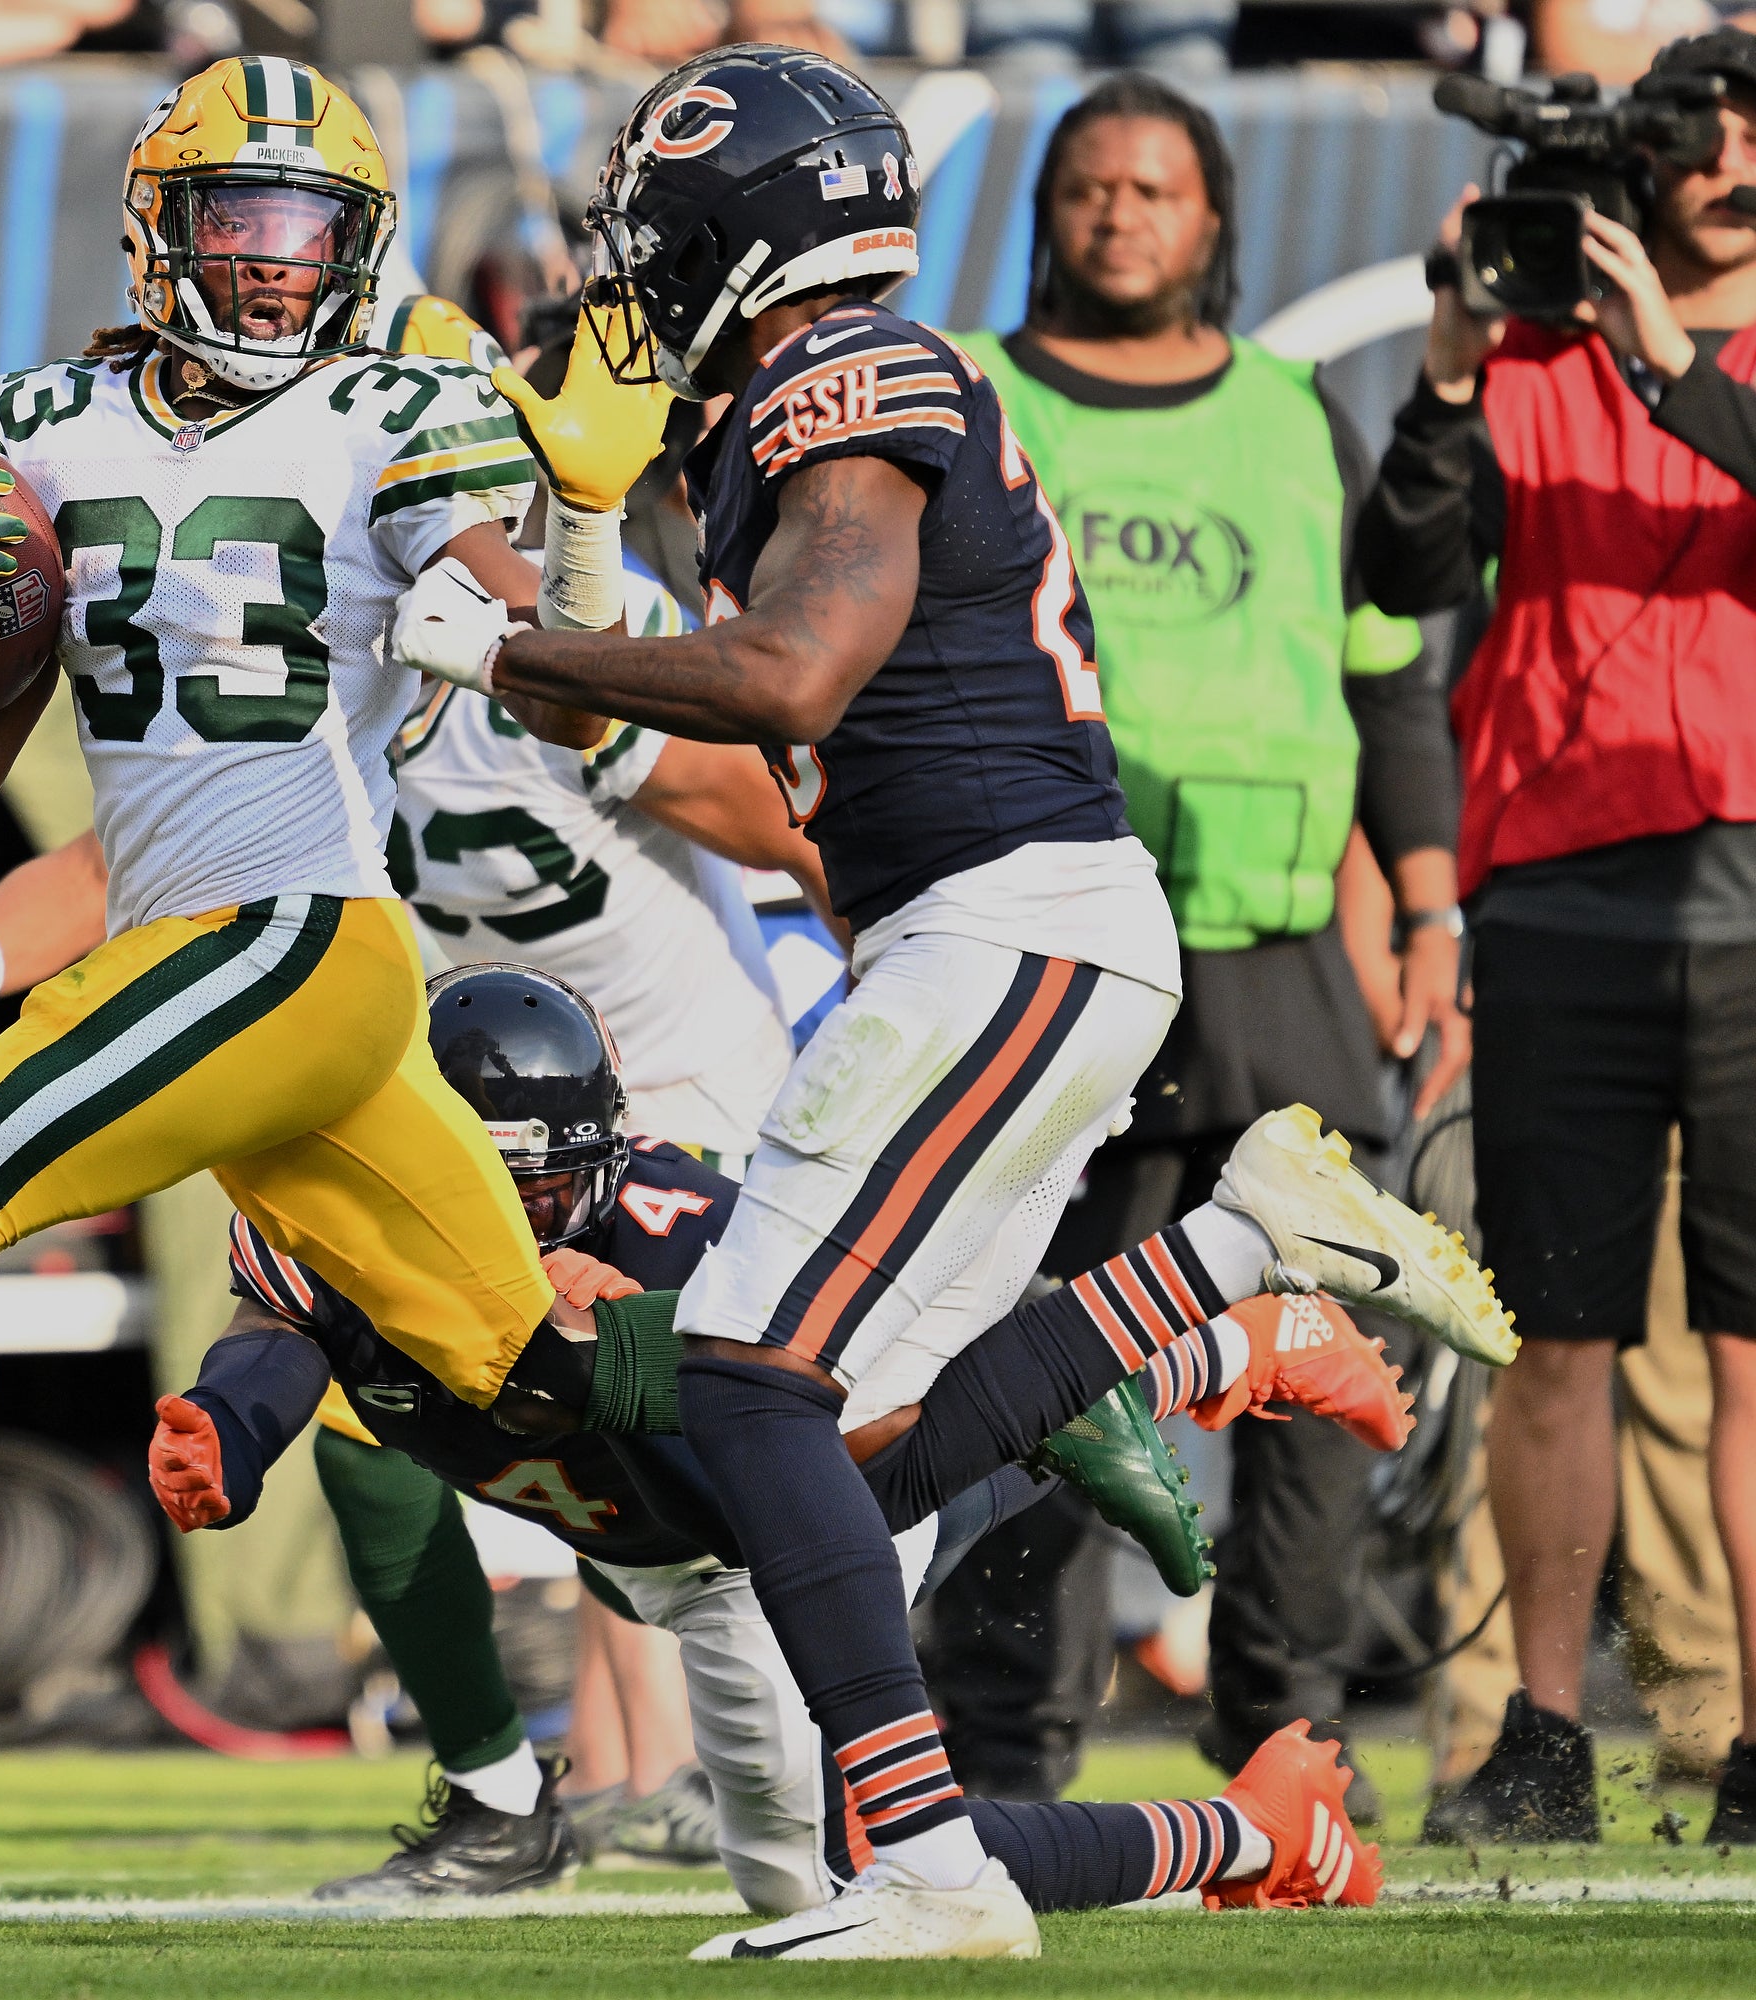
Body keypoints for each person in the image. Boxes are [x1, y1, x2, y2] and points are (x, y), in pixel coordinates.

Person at [391, 45, 1516, 1956]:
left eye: (656, 230)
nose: (630, 269)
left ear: (742, 227)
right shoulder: (774, 398)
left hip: (1002, 924)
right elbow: (603, 702)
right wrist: (575, 533)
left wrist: (498, 634)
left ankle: (921, 1865)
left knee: (741, 1383)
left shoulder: (850, 379)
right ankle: (1229, 1256)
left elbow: (790, 678)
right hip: (1003, 930)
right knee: (828, 1435)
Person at [0, 55, 595, 1853]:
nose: (273, 263)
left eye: (311, 227)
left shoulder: (396, 407)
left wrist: (545, 573)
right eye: (239, 217)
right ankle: (523, 1777)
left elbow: (508, 604)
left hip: (303, 940)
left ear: (362, 247)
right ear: (164, 228)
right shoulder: (38, 422)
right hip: (212, 961)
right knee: (505, 1389)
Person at [148, 963, 1398, 1925]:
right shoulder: (345, 1218)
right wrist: (228, 1421)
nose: (507, 1223)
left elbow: (813, 1455)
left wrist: (623, 1346)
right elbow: (280, 1327)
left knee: (843, 1870)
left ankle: (1252, 1826)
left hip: (763, 1514)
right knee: (368, 1445)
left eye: (534, 1191)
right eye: (477, 1185)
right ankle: (1185, 1359)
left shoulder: (674, 1225)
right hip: (642, 1553)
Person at [928, 74, 1465, 1818]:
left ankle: (1286, 1727)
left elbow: (1388, 680)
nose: (1119, 213)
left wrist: (1432, 907)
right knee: (1032, 1355)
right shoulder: (977, 402)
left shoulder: (1299, 413)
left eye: (1156, 188)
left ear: (1212, 220)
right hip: (1056, 945)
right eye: (1089, 186)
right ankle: (1010, 1743)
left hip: (1280, 950)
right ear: (1049, 214)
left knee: (1324, 1352)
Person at [1359, 28, 1756, 1847]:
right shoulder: (1525, 339)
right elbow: (1405, 576)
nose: (1726, 170)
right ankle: (1537, 1735)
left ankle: (1750, 1737)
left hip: (1748, 901)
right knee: (1555, 1341)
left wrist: (1673, 367)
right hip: (1560, 894)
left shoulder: (1697, 348)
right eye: (1701, 138)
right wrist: (1450, 373)